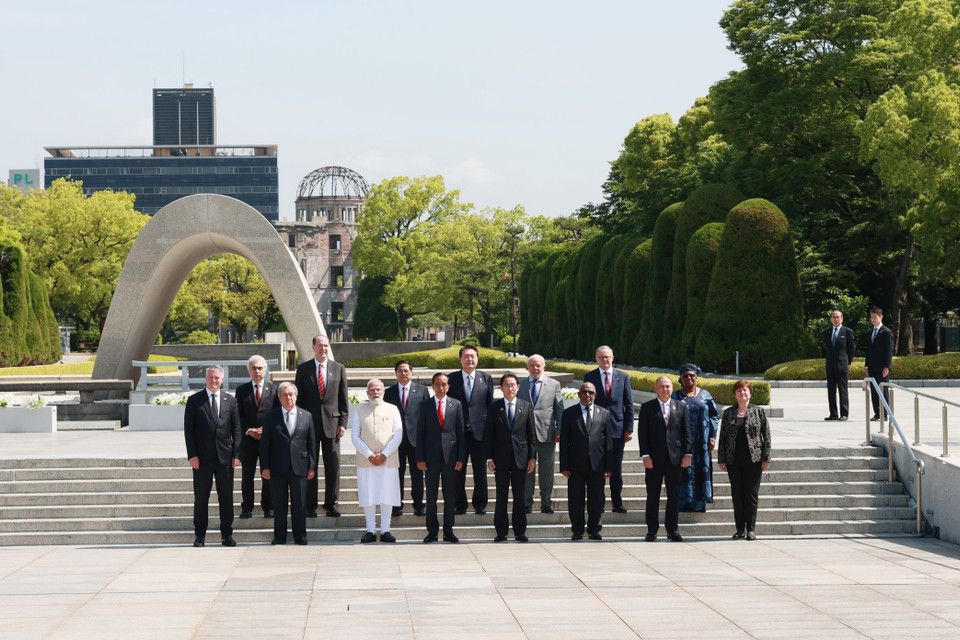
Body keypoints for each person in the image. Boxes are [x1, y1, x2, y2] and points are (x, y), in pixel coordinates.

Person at [183, 365, 241, 547]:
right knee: (201, 498)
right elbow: (189, 431)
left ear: (222, 380)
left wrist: (236, 454)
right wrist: (192, 455)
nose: (214, 381)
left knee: (226, 498)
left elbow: (236, 430)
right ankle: (200, 535)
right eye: (211, 378)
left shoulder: (230, 401)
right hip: (202, 459)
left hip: (225, 458)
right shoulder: (194, 401)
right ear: (205, 379)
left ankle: (227, 535)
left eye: (217, 378)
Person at [294, 334, 349, 518]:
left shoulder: (339, 368)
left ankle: (331, 504)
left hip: (332, 425)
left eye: (326, 346)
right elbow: (298, 400)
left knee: (333, 466)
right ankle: (311, 505)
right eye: (320, 345)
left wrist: (343, 423)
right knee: (311, 465)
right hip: (308, 426)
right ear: (313, 347)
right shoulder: (303, 369)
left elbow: (343, 399)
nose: (323, 349)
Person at [260, 382, 317, 545]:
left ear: (296, 397)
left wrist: (312, 466)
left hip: (300, 466)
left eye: (291, 394)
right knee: (279, 504)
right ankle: (280, 536)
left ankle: (300, 535)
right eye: (285, 395)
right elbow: (265, 445)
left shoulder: (306, 416)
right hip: (277, 467)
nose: (288, 397)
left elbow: (312, 443)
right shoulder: (271, 417)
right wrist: (265, 467)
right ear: (279, 398)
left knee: (299, 504)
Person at [637, 375, 692, 542]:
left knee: (674, 495)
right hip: (654, 459)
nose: (665, 389)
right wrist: (645, 455)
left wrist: (687, 454)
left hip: (675, 458)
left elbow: (687, 432)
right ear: (655, 388)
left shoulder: (680, 406)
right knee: (653, 495)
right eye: (661, 386)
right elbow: (642, 434)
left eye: (668, 386)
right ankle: (652, 530)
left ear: (672, 388)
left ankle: (672, 529)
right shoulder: (647, 407)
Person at [717, 380, 772, 540]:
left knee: (751, 494)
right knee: (737, 494)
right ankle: (739, 529)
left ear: (750, 393)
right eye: (739, 391)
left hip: (754, 459)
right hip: (733, 459)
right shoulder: (728, 413)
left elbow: (766, 436)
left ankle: (751, 529)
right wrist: (722, 458)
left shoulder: (758, 411)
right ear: (735, 394)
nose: (742, 393)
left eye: (745, 391)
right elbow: (723, 437)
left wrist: (766, 457)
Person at [484, 374, 536, 542]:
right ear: (501, 388)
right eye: (506, 385)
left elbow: (531, 435)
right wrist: (489, 458)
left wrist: (532, 458)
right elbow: (488, 435)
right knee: (501, 496)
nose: (510, 388)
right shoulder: (494, 407)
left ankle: (520, 531)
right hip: (500, 459)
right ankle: (501, 532)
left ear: (518, 387)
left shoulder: (526, 406)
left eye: (513, 385)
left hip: (521, 459)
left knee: (519, 496)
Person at [351, 379, 404, 543]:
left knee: (387, 495)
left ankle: (386, 530)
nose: (375, 392)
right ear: (367, 393)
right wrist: (369, 455)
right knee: (369, 495)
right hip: (366, 461)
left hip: (388, 460)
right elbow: (354, 436)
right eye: (372, 390)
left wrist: (384, 454)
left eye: (378, 389)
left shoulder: (393, 409)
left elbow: (398, 434)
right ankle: (371, 530)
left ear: (384, 391)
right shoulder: (359, 410)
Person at [559, 382, 613, 541]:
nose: (587, 395)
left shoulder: (604, 413)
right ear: (578, 394)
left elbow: (609, 442)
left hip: (598, 464)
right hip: (575, 465)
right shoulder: (569, 413)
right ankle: (577, 530)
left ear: (595, 395)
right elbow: (564, 442)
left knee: (596, 499)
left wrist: (609, 466)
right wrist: (564, 465)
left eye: (590, 392)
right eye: (584, 392)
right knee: (575, 499)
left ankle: (594, 529)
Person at [584, 345, 634, 513]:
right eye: (601, 357)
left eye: (607, 357)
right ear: (596, 359)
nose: (605, 360)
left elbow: (629, 404)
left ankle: (617, 502)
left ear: (613, 358)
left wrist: (629, 428)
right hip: (596, 429)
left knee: (616, 468)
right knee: (598, 467)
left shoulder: (623, 377)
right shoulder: (589, 376)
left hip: (617, 429)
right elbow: (586, 403)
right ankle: (599, 502)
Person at [417, 373, 466, 543]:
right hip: (430, 458)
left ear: (448, 386)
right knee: (431, 496)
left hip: (451, 457)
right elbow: (420, 433)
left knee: (450, 495)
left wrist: (461, 457)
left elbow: (460, 433)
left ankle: (448, 530)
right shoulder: (425, 405)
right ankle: (432, 531)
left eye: (444, 384)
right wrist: (420, 457)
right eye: (437, 384)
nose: (441, 387)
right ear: (432, 385)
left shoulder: (456, 405)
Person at [446, 344, 493, 515]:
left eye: (472, 356)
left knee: (480, 472)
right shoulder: (451, 379)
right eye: (466, 356)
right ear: (460, 359)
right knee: (458, 471)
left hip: (479, 433)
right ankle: (460, 504)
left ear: (477, 359)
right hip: (458, 434)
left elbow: (489, 406)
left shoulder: (486, 378)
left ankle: (480, 504)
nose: (469, 359)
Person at [236, 355, 280, 519]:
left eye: (260, 368)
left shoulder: (274, 390)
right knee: (247, 475)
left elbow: (278, 414)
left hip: (268, 440)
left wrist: (265, 431)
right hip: (248, 441)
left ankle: (268, 507)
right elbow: (238, 415)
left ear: (265, 370)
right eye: (254, 368)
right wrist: (248, 430)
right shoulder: (241, 391)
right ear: (249, 370)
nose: (257, 371)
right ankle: (247, 507)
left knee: (267, 473)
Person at [518, 354, 563, 515]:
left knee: (547, 471)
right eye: (532, 366)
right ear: (527, 368)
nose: (535, 368)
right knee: (527, 470)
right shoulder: (520, 385)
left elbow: (559, 410)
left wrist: (559, 431)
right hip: (525, 436)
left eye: (538, 365)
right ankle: (526, 503)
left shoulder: (554, 384)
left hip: (547, 434)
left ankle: (546, 502)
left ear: (544, 367)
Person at [384, 360, 430, 517]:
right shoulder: (389, 393)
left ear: (411, 372)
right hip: (395, 440)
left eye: (406, 371)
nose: (403, 373)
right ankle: (397, 505)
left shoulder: (422, 390)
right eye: (400, 371)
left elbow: (427, 416)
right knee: (397, 474)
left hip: (416, 439)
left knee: (417, 475)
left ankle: (419, 505)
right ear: (395, 373)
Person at [672, 364, 719, 512]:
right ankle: (683, 503)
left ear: (696, 377)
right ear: (681, 378)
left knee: (700, 470)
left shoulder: (705, 395)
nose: (689, 378)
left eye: (691, 375)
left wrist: (712, 436)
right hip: (682, 442)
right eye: (685, 376)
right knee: (683, 471)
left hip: (702, 441)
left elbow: (714, 415)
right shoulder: (675, 396)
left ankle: (699, 503)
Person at [823, 309, 855, 421]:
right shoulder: (827, 333)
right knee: (831, 391)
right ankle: (833, 414)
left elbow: (851, 349)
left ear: (842, 318)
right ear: (831, 319)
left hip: (842, 365)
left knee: (843, 391)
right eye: (834, 317)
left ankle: (844, 414)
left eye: (838, 317)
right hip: (830, 366)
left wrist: (847, 362)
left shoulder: (847, 331)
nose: (836, 319)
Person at [865, 307, 894, 421]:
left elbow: (889, 351)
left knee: (883, 389)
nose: (873, 319)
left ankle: (885, 413)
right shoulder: (870, 333)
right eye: (871, 317)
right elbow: (868, 351)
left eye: (875, 317)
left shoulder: (886, 332)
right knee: (874, 390)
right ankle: (877, 412)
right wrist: (867, 365)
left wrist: (887, 366)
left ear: (881, 317)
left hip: (882, 366)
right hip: (872, 366)